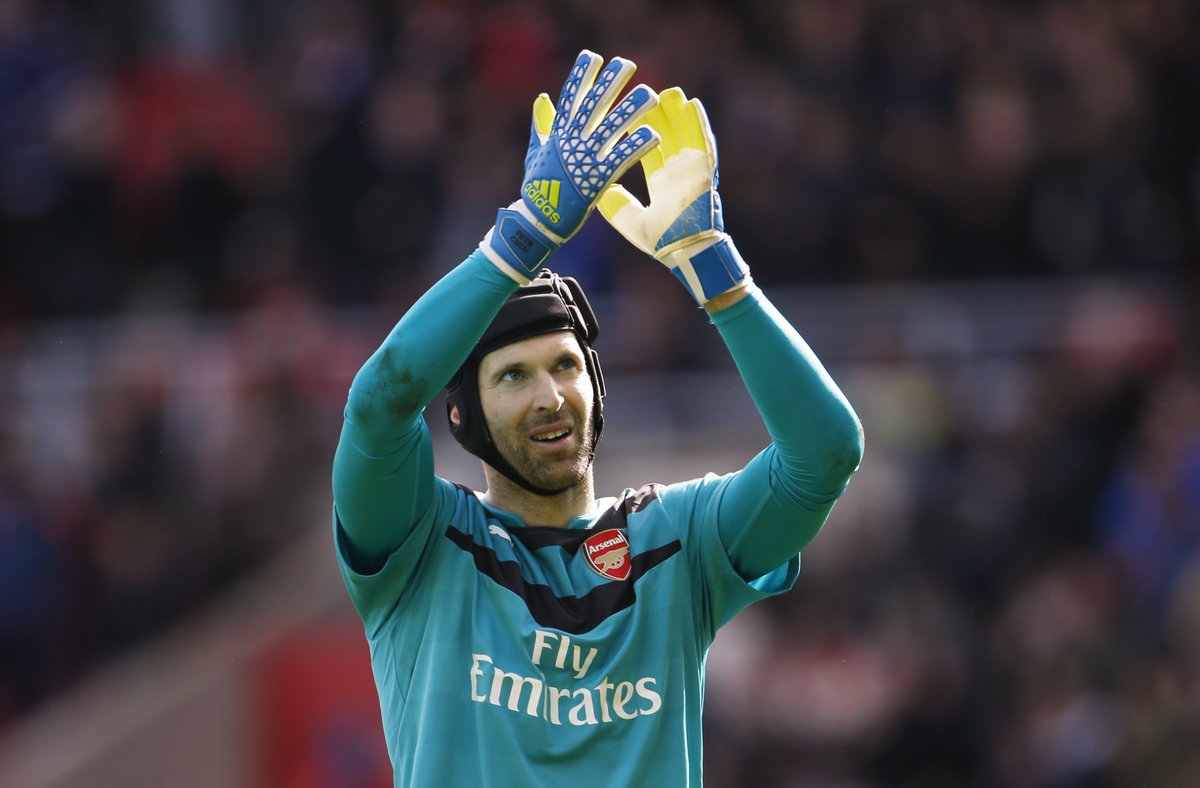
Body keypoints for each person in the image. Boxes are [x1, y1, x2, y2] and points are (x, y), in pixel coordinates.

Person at [331, 50, 864, 787]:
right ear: (462, 415)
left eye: (565, 365)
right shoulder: (421, 542)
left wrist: (713, 266)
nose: (550, 396)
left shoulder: (679, 541)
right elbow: (378, 406)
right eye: (513, 376)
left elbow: (826, 452)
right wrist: (521, 236)